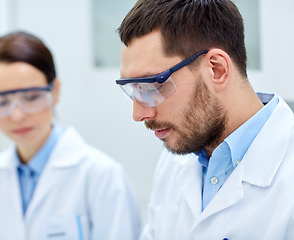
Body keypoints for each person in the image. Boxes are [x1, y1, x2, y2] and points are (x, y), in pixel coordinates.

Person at [0, 31, 141, 240]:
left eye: (31, 97)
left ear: (55, 91)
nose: (17, 115)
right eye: (1, 102)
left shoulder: (101, 176)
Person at [116, 0, 294, 239]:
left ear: (216, 69)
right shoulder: (173, 162)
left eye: (150, 86)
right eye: (133, 90)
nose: (138, 114)